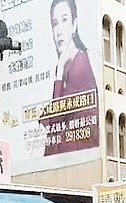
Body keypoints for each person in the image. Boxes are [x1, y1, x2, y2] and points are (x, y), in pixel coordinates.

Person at [43, 0, 98, 156]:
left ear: (74, 25)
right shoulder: (68, 62)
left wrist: (59, 72)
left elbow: (55, 118)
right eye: (54, 23)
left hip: (80, 149)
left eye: (64, 20)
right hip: (72, 150)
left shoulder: (79, 63)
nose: (59, 30)